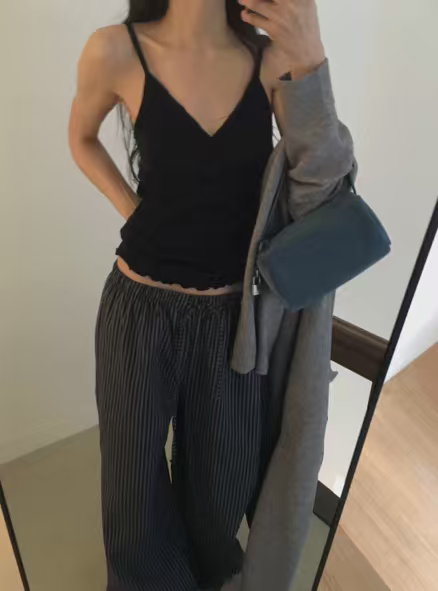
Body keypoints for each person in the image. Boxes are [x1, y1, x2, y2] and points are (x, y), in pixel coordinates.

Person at [68, 1, 329, 589]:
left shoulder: (268, 61)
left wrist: (312, 56)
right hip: (139, 310)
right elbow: (81, 138)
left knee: (220, 489)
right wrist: (133, 210)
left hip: (231, 319)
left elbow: (323, 182)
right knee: (133, 490)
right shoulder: (115, 50)